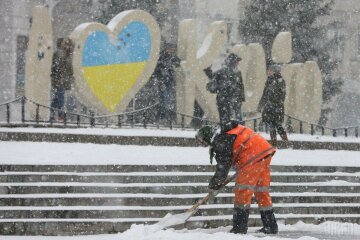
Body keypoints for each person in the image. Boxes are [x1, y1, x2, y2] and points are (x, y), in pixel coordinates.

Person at [195, 120, 278, 235]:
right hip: (264, 152)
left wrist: (214, 186)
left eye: (203, 142)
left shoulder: (222, 140)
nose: (204, 145)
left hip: (251, 157)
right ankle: (270, 226)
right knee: (261, 192)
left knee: (242, 192)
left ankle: (239, 228)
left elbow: (223, 168)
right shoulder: (228, 132)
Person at [204, 53, 245, 124]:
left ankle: (230, 132)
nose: (238, 63)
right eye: (237, 61)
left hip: (228, 100)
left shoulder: (235, 72)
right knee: (233, 121)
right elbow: (238, 86)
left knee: (228, 121)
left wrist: (240, 98)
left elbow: (240, 86)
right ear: (233, 62)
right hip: (229, 101)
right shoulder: (227, 72)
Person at [257, 64, 288, 147]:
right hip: (269, 107)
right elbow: (264, 94)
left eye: (270, 70)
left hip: (276, 106)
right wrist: (260, 106)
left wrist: (276, 104)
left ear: (274, 71)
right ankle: (274, 143)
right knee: (271, 125)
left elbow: (282, 95)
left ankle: (285, 140)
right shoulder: (269, 80)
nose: (268, 71)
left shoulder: (280, 81)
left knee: (277, 124)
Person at [151, 43, 181, 123]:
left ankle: (163, 116)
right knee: (164, 100)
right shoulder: (162, 57)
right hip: (163, 81)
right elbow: (157, 69)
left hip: (168, 81)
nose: (171, 50)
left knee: (166, 100)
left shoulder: (172, 57)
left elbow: (178, 63)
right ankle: (161, 116)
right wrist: (161, 79)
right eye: (170, 49)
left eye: (172, 49)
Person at [50, 38, 74, 121]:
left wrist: (71, 77)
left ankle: (52, 113)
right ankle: (61, 115)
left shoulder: (68, 55)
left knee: (57, 98)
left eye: (69, 44)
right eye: (66, 44)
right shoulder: (60, 53)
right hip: (59, 80)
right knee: (60, 98)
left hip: (64, 81)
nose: (67, 46)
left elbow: (69, 69)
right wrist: (57, 78)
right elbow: (56, 67)